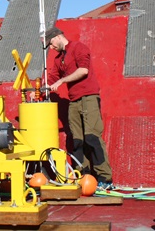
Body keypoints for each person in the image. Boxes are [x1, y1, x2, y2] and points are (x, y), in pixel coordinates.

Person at [44, 26, 114, 190]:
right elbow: (51, 79)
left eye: (52, 43)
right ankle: (82, 176)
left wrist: (62, 81)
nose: (51, 47)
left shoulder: (78, 47)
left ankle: (106, 179)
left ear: (59, 36)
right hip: (73, 101)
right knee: (77, 141)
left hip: (88, 97)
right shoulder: (57, 59)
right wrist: (39, 90)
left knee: (92, 137)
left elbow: (83, 70)